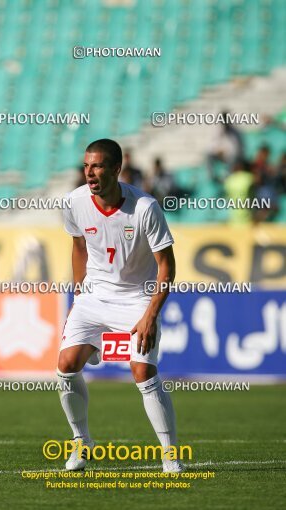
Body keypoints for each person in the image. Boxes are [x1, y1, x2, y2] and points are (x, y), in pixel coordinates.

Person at [57, 139, 183, 473]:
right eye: (86, 166)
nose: (90, 173)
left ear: (116, 168)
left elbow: (167, 267)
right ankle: (82, 442)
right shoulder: (73, 202)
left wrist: (150, 316)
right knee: (66, 365)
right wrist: (78, 296)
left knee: (143, 373)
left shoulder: (145, 208)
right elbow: (78, 246)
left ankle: (170, 454)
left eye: (97, 166)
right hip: (94, 297)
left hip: (136, 299)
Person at [206, 112, 244, 182]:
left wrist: (226, 151)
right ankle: (212, 177)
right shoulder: (218, 130)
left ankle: (227, 176)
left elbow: (237, 149)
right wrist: (218, 151)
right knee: (208, 154)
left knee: (233, 156)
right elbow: (212, 145)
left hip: (232, 156)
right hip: (220, 154)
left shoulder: (235, 132)